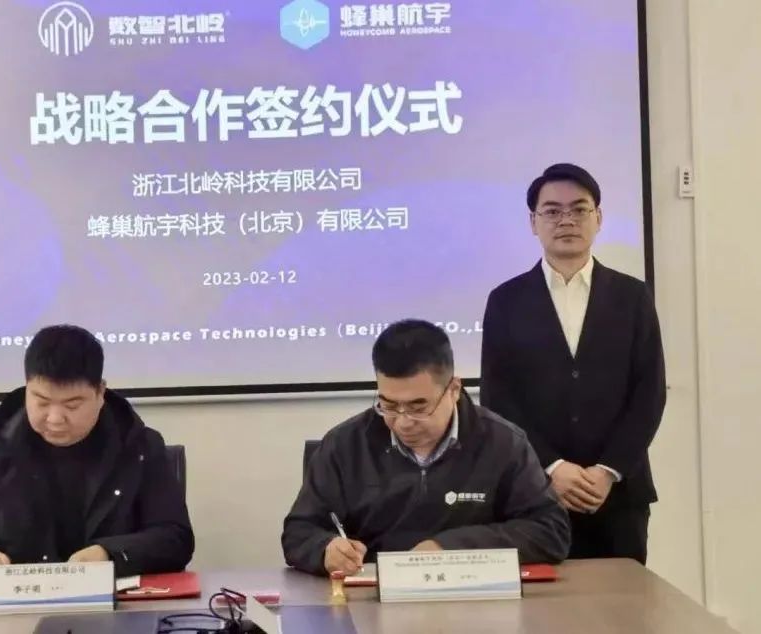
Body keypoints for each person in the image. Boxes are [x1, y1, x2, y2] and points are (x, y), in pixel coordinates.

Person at [480, 163, 666, 564]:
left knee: (623, 601)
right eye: (552, 211)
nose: (566, 220)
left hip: (617, 494)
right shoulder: (506, 300)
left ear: (598, 218)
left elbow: (649, 393)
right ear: (533, 222)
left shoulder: (632, 296)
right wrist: (552, 467)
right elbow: (499, 398)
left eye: (579, 209)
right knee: (543, 603)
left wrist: (608, 470)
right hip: (534, 492)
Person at [282, 320, 569, 576]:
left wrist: (449, 548)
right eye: (388, 405)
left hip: (473, 597)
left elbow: (550, 530)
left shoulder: (502, 441)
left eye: (418, 407)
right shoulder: (346, 445)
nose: (403, 422)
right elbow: (298, 532)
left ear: (454, 390)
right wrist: (326, 549)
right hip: (372, 598)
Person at [0, 324, 193, 585]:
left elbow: (175, 538)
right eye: (42, 402)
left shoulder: (139, 446)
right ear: (27, 388)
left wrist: (109, 554)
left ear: (100, 392)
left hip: (116, 603)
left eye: (72, 405)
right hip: (24, 600)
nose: (55, 419)